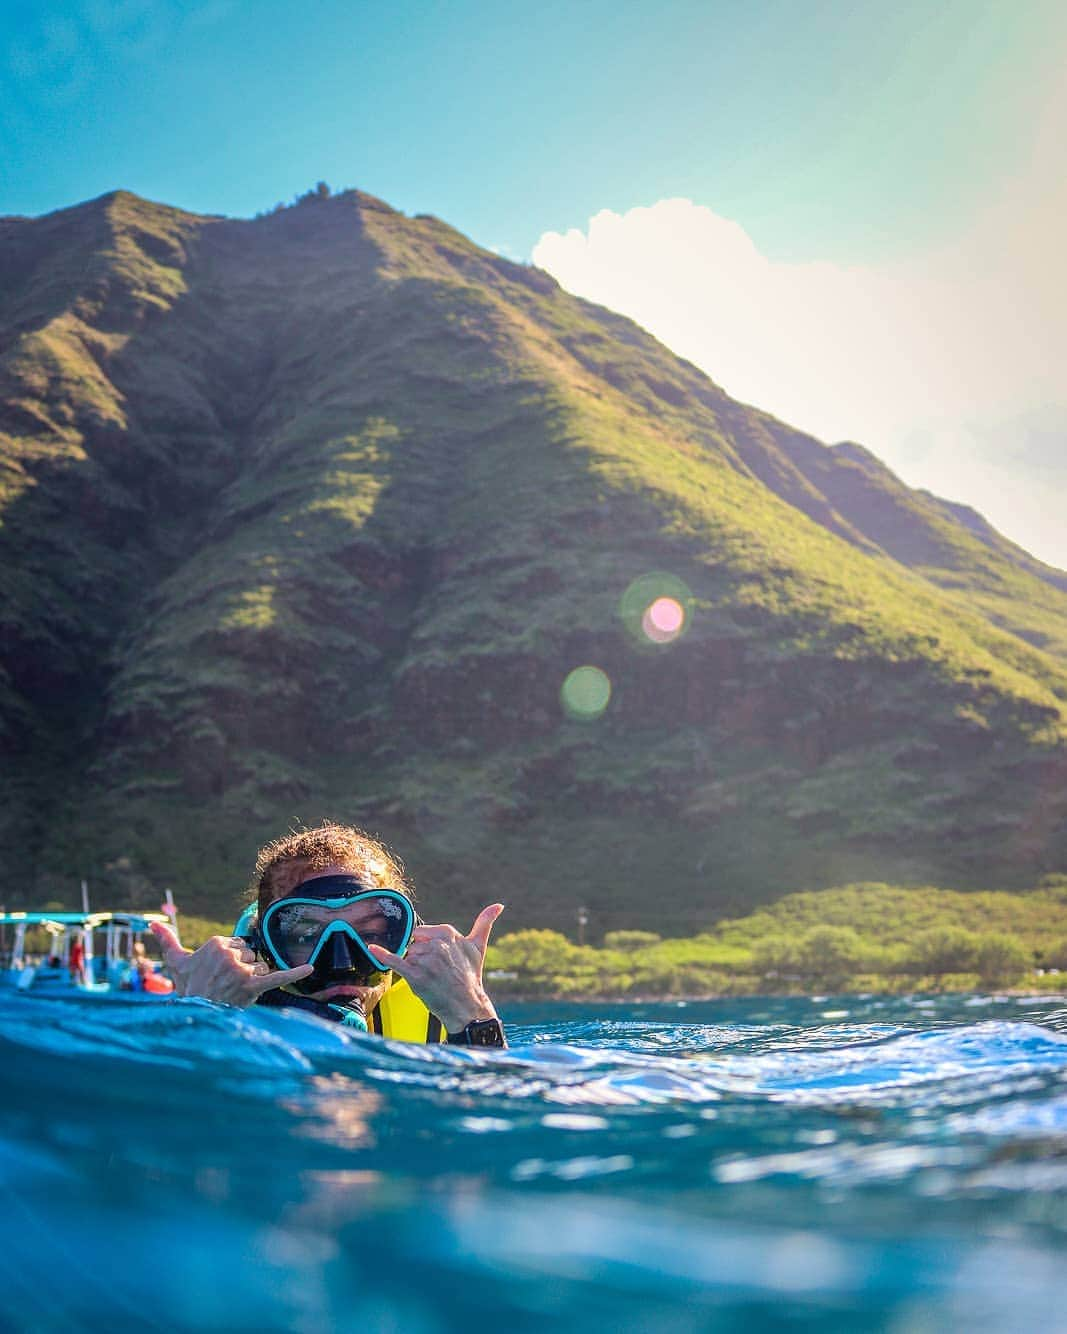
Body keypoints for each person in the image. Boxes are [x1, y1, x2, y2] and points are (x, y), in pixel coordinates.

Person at [150, 824, 507, 1046]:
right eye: (307, 937)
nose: (342, 962)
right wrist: (197, 1018)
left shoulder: (445, 1013)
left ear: (406, 941)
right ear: (263, 949)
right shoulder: (225, 1020)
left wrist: (474, 1014)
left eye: (369, 934)